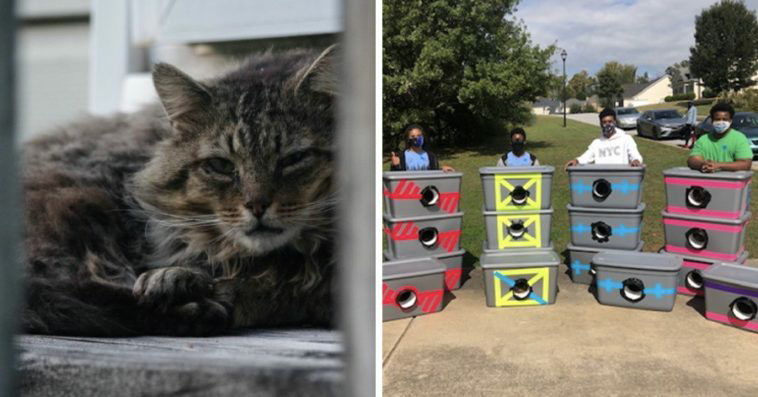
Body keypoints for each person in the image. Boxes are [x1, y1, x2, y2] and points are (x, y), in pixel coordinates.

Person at [564, 107, 643, 169]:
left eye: (610, 121)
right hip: (603, 182)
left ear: (615, 122)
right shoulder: (597, 143)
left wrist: (636, 160)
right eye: (604, 122)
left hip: (621, 180)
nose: (607, 124)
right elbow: (586, 157)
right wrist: (576, 160)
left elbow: (635, 155)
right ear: (601, 124)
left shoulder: (626, 139)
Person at [687, 102, 752, 172]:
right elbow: (692, 160)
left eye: (725, 119)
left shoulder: (739, 138)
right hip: (708, 181)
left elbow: (746, 164)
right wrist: (702, 164)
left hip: (731, 181)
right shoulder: (703, 140)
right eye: (717, 119)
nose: (721, 122)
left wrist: (718, 165)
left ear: (730, 121)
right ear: (712, 121)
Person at [390, 124, 455, 172]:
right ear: (408, 139)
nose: (416, 138)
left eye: (419, 135)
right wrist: (395, 166)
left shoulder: (431, 156)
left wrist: (442, 170)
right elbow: (396, 180)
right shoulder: (401, 157)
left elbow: (434, 174)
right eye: (413, 136)